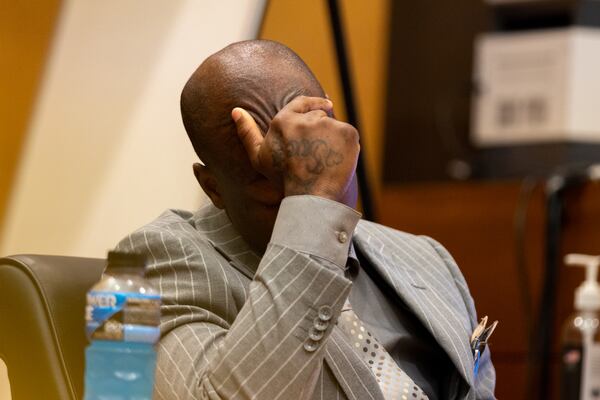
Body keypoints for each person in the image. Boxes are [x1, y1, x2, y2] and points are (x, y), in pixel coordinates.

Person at [115, 39, 496, 400]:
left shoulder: (428, 258)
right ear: (212, 187)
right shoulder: (146, 268)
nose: (306, 186)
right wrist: (313, 202)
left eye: (316, 163)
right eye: (276, 192)